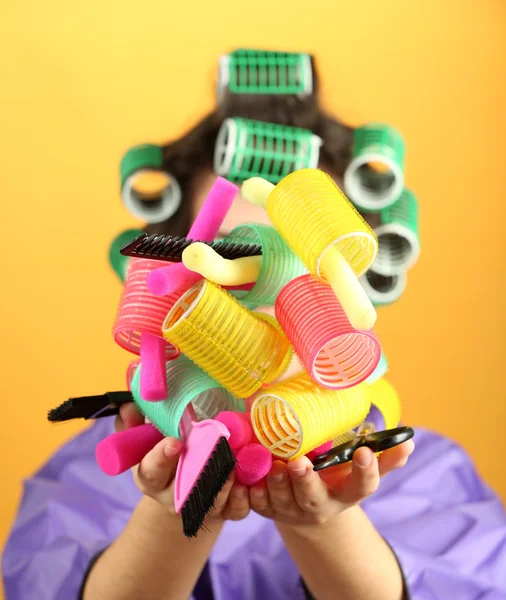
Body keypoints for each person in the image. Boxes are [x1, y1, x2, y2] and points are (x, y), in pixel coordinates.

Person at [3, 54, 506, 600]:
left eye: (300, 269)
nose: (269, 310)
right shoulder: (87, 474)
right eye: (239, 274)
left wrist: (323, 524)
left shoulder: (429, 476)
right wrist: (174, 515)